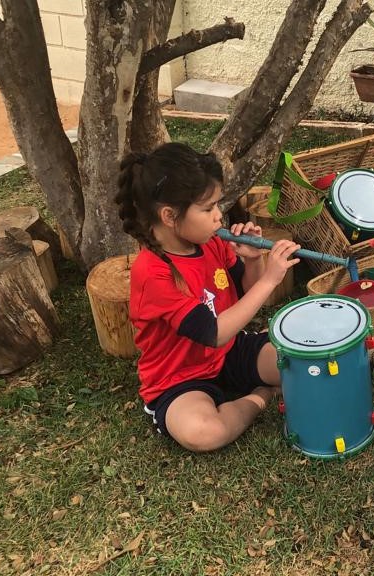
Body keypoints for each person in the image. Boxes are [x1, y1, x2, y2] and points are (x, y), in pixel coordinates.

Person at [114, 142, 301, 452]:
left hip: (229, 352)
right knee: (204, 432)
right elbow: (211, 332)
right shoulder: (152, 272)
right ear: (170, 216)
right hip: (179, 379)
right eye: (207, 208)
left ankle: (256, 381)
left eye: (217, 205)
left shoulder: (209, 242)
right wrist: (271, 279)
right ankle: (260, 396)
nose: (218, 217)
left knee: (302, 364)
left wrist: (254, 261)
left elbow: (245, 295)